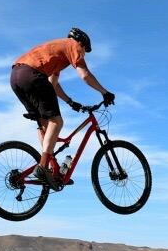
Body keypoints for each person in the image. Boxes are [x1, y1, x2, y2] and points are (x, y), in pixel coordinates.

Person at [10, 28, 115, 187]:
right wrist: (105, 92)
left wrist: (70, 102)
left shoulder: (56, 50)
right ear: (81, 42)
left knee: (45, 123)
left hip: (16, 76)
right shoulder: (73, 45)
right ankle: (43, 167)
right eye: (85, 50)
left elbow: (52, 85)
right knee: (57, 122)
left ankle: (51, 168)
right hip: (32, 75)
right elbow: (85, 74)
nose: (83, 54)